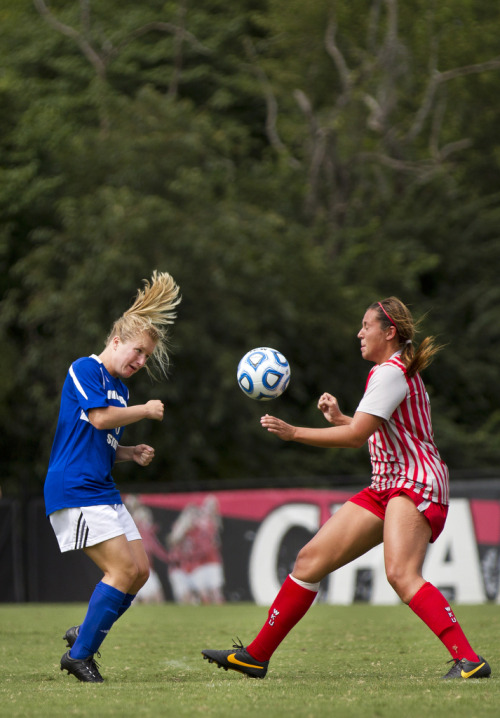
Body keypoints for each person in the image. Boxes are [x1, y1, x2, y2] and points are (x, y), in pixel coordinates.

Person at [202, 297, 491, 681]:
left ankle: (469, 660)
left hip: (415, 482)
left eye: (366, 326)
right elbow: (376, 428)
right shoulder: (391, 370)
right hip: (388, 485)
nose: (359, 333)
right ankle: (256, 656)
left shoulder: (389, 372)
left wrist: (293, 433)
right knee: (309, 562)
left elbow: (357, 438)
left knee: (401, 573)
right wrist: (341, 418)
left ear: (388, 332)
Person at [44, 270, 181, 683]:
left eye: (146, 357)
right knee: (121, 571)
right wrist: (144, 411)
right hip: (74, 489)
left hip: (101, 488)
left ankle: (84, 635)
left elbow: (98, 440)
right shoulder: (85, 369)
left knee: (140, 570)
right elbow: (100, 418)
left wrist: (128, 452)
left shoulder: (119, 388)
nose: (140, 362)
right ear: (116, 341)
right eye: (138, 352)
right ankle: (79, 655)